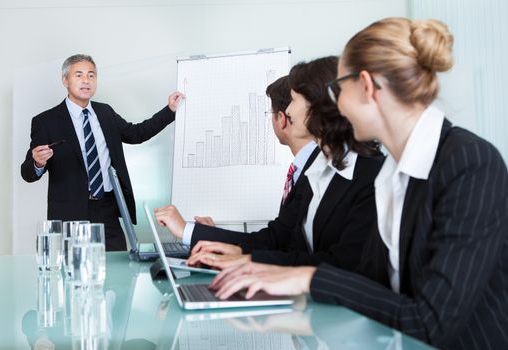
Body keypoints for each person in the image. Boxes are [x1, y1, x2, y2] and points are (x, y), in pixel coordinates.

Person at [211, 18, 508, 349]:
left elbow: (430, 321)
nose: (335, 106)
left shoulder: (470, 163)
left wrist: (308, 278)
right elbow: (370, 283)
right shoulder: (393, 172)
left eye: (338, 90)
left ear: (366, 86)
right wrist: (274, 313)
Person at [157, 57, 383, 272]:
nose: (290, 111)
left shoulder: (369, 174)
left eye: (294, 100)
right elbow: (283, 241)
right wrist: (238, 256)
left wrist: (249, 261)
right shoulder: (319, 168)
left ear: (319, 105)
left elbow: (345, 264)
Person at [21, 54, 184, 251]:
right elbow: (27, 173)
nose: (86, 81)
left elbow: (137, 134)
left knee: (118, 270)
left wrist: (170, 110)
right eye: (79, 75)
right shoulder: (46, 121)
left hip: (107, 208)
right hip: (70, 213)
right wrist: (37, 163)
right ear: (65, 80)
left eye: (91, 75)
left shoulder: (105, 112)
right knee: (74, 273)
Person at [154, 76, 319, 260]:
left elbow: (277, 241)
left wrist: (187, 230)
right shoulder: (305, 166)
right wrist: (211, 235)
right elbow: (278, 240)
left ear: (281, 119)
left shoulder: (316, 171)